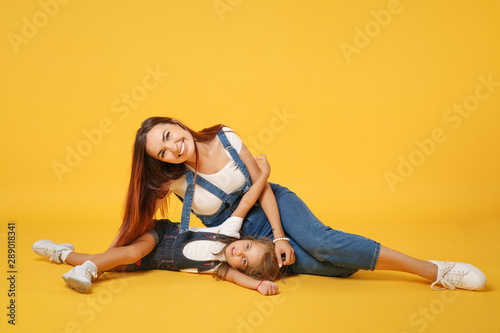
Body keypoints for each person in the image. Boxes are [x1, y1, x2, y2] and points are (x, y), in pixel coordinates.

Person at [101, 116, 485, 292]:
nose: (173, 148)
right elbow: (144, 219)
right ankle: (345, 252)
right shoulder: (172, 183)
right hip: (243, 232)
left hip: (274, 205)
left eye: (169, 135)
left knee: (323, 244)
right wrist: (108, 258)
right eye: (163, 151)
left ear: (177, 123)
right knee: (327, 267)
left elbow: (263, 187)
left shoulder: (225, 138)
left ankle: (433, 269)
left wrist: (282, 236)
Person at [33, 155, 282, 295]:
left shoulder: (219, 268)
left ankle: (61, 253)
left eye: (245, 261)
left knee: (107, 263)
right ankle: (84, 269)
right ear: (244, 239)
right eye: (247, 247)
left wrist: (260, 285)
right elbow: (248, 200)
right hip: (162, 235)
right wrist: (263, 176)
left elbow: (241, 281)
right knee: (131, 252)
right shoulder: (227, 233)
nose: (240, 253)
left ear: (242, 269)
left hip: (152, 262)